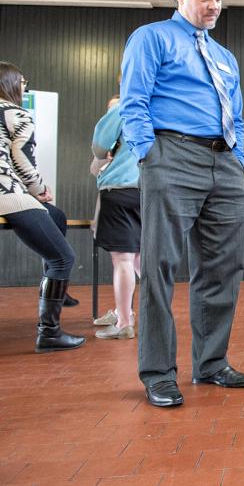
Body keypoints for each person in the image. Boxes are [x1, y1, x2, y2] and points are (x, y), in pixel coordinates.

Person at [120, 0, 244, 408]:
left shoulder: (224, 56)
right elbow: (134, 101)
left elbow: (235, 113)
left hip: (224, 162)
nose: (213, 6)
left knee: (222, 268)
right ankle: (158, 372)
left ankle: (212, 363)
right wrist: (149, 154)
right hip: (171, 156)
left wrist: (237, 159)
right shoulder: (151, 38)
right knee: (160, 267)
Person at [0, 61, 84, 353]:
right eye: (22, 82)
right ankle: (49, 332)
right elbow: (22, 159)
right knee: (64, 257)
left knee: (56, 216)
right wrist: (38, 190)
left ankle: (56, 285)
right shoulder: (15, 113)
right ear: (10, 84)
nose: (25, 87)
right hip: (6, 193)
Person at [90, 95, 140, 340]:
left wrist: (113, 112)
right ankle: (148, 314)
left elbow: (100, 147)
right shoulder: (156, 105)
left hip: (119, 190)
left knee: (122, 260)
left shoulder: (122, 108)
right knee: (141, 260)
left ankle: (124, 322)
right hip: (149, 190)